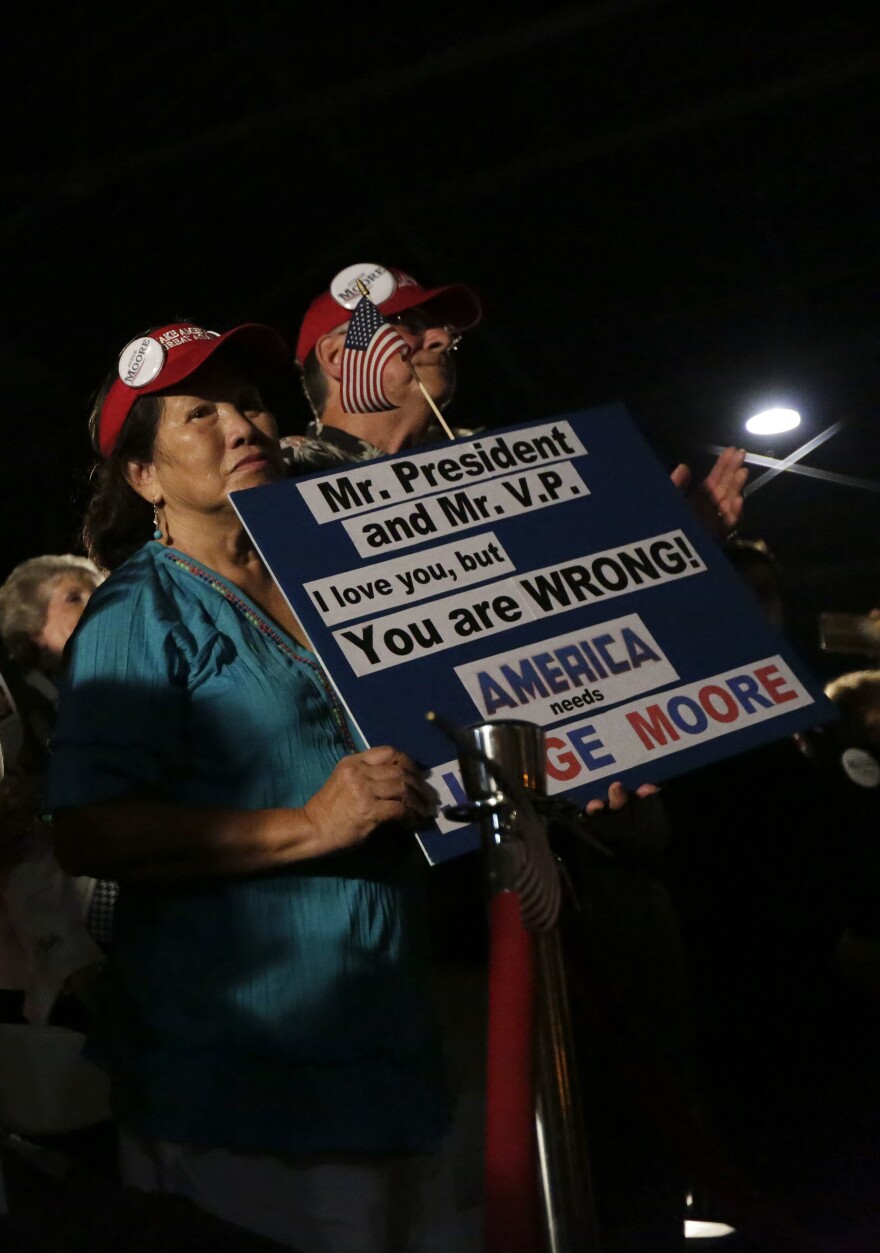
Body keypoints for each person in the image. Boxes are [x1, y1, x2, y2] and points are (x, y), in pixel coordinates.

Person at [44, 320, 467, 1253]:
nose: (243, 425)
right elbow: (89, 829)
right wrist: (310, 827)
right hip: (244, 1074)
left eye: (250, 404)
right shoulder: (137, 611)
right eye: (200, 414)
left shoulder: (342, 582)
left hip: (386, 1038)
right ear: (143, 477)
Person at [289, 260, 749, 540]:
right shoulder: (282, 481)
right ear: (337, 355)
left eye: (443, 329)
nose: (441, 339)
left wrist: (672, 547)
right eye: (407, 323)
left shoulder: (507, 467)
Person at [0, 554, 112, 1026]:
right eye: (74, 596)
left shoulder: (116, 693)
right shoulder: (15, 709)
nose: (95, 603)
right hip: (56, 941)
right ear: (31, 628)